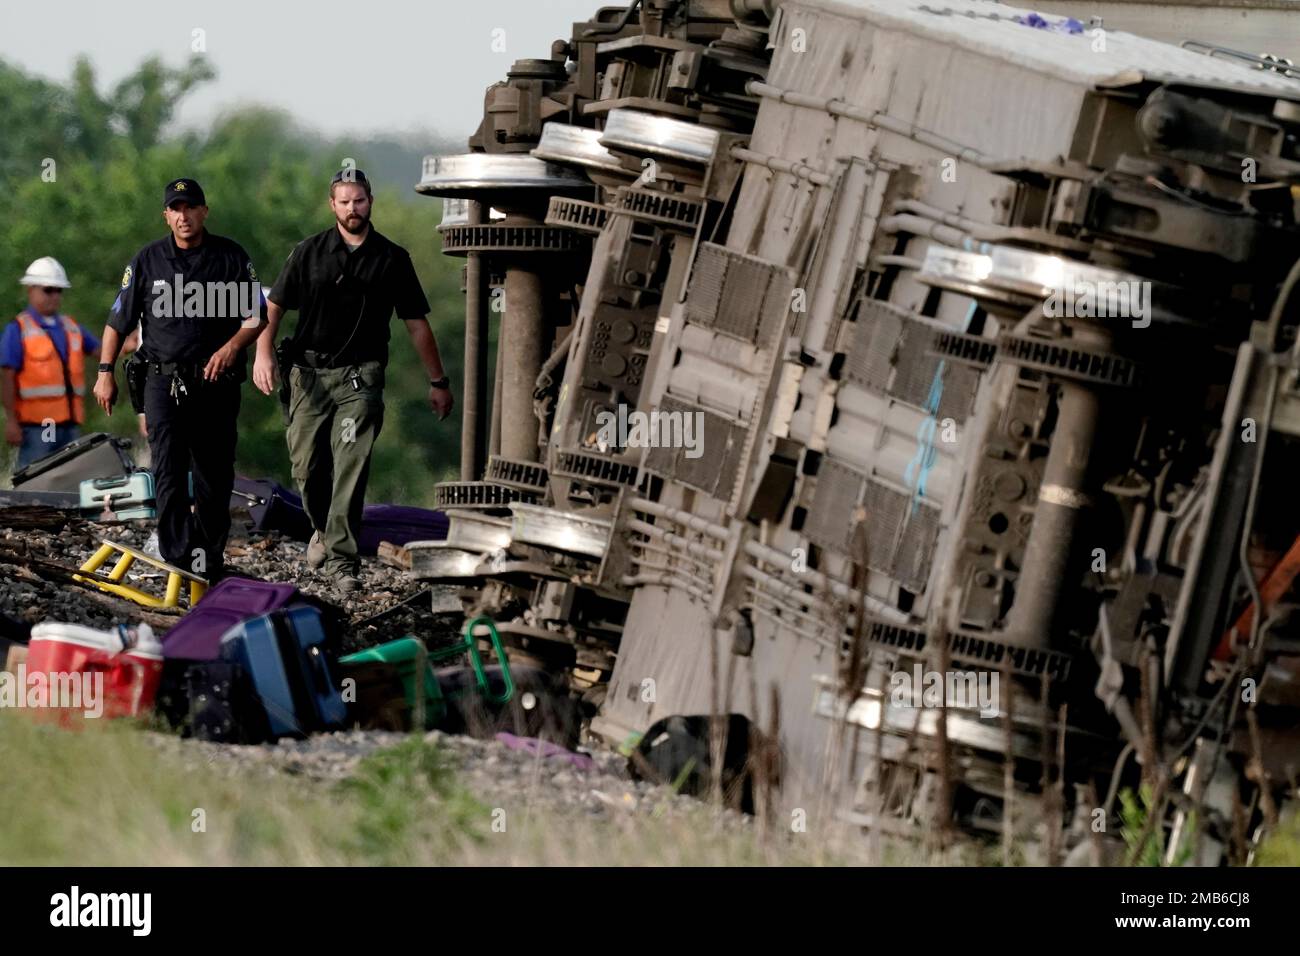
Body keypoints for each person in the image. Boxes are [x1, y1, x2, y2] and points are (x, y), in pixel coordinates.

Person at [253, 168, 453, 591]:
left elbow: (416, 323)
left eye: (358, 200)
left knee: (349, 465)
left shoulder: (392, 259)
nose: (352, 208)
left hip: (360, 379)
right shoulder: (308, 252)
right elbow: (273, 308)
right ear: (333, 205)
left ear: (370, 201)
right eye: (344, 201)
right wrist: (263, 355)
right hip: (307, 376)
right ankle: (325, 532)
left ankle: (342, 562)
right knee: (307, 468)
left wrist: (438, 380)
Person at [94, 178, 266, 581]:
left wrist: (232, 347)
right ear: (166, 215)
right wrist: (104, 373)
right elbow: (116, 322)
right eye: (176, 208)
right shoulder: (147, 260)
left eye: (191, 207)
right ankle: (177, 556)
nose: (184, 216)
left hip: (215, 384)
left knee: (214, 474)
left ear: (204, 212)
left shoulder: (231, 257)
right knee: (168, 469)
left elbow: (257, 315)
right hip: (163, 382)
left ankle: (207, 559)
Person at [1, 257, 103, 472]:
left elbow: (103, 352)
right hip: (40, 426)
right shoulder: (18, 329)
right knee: (37, 478)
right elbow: (6, 376)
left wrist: (134, 340)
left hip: (70, 423)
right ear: (31, 290)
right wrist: (11, 421)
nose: (55, 296)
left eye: (59, 290)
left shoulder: (71, 327)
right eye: (48, 290)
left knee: (69, 479)